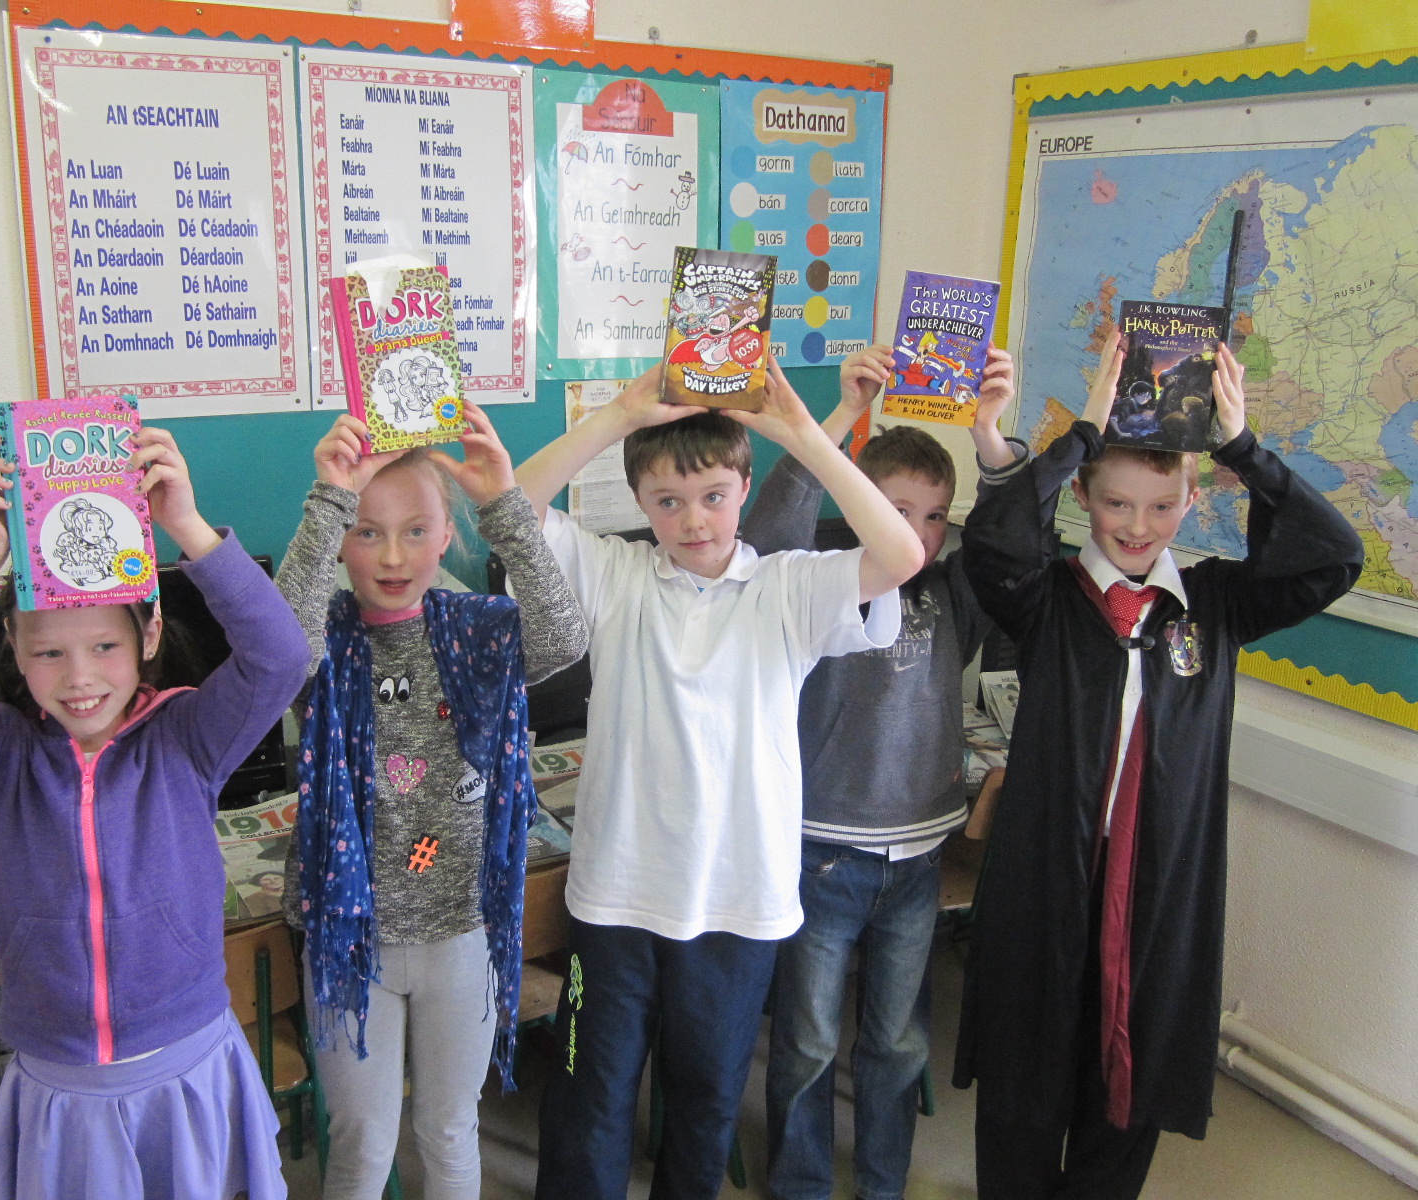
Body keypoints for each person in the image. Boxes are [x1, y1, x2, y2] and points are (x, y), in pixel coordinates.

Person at [953, 333, 1364, 1200]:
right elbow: (993, 540)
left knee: (1130, 1076)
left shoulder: (1213, 607)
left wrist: (1241, 448)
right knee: (1027, 1076)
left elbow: (1334, 556)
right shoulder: (1047, 599)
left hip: (1157, 886)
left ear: (1190, 501)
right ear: (1083, 497)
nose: (1137, 528)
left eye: (1162, 506)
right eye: (1114, 504)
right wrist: (1082, 434)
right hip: (1049, 878)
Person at [515, 360, 928, 1200]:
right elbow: (508, 509)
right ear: (641, 504)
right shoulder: (617, 574)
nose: (693, 519)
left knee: (705, 1103)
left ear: (744, 488)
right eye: (668, 501)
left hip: (738, 902)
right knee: (591, 1100)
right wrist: (618, 416)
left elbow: (901, 552)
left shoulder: (790, 585)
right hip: (617, 897)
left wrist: (803, 432)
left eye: (712, 495)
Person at [0, 429, 310, 1200]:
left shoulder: (187, 738)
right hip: (61, 1081)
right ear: (13, 645)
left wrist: (187, 527)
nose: (79, 678)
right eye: (49, 653)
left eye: (104, 646)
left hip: (187, 1058)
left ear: (150, 635)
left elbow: (280, 657)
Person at [275, 402, 587, 1200]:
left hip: (460, 931)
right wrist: (327, 497)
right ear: (341, 537)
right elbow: (272, 650)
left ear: (448, 534)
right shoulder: (324, 639)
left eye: (416, 530)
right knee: (362, 1143)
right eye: (366, 531)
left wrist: (503, 502)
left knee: (449, 1132)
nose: (392, 555)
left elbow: (563, 635)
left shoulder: (478, 632)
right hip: (352, 940)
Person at [742, 345, 1013, 1200]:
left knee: (896, 1042)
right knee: (809, 1041)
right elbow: (764, 535)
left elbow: (1010, 547)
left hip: (917, 860)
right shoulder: (816, 580)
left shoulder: (949, 592)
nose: (919, 533)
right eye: (897, 510)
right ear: (859, 499)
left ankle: (883, 1183)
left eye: (934, 517)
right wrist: (843, 418)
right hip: (823, 854)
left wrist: (991, 441)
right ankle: (800, 1185)